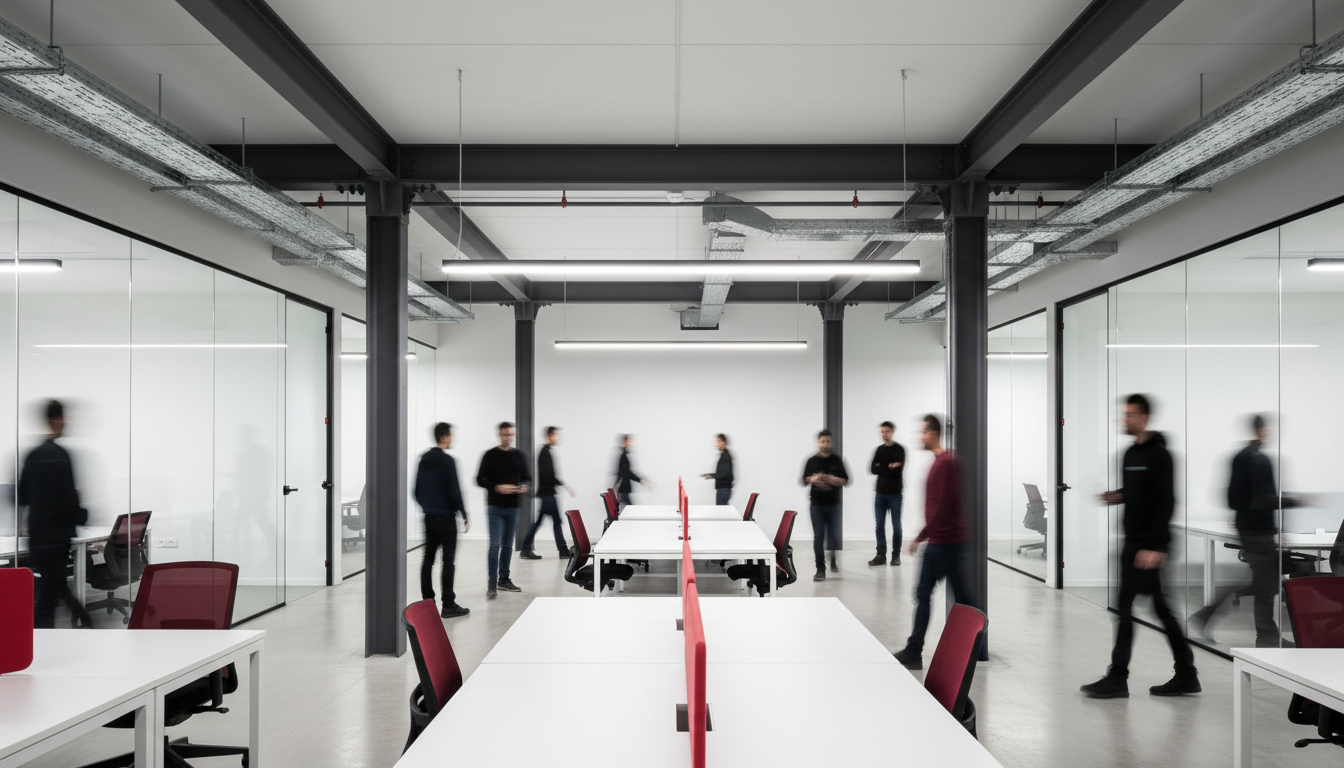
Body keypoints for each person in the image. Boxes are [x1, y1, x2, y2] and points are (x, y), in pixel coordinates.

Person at [1081, 394, 1199, 698]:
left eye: (1130, 415)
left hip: (1149, 547)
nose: (1125, 419)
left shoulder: (1161, 456)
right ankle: (1186, 673)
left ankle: (1119, 677)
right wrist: (1117, 496)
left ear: (1144, 417)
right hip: (1132, 542)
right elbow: (1137, 491)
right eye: (1124, 414)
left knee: (1135, 608)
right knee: (1150, 608)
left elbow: (1165, 501)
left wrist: (1156, 547)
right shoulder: (1129, 454)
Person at [1189, 414, 1296, 647]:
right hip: (1256, 530)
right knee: (1265, 586)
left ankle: (1207, 616)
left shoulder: (1243, 457)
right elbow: (1261, 499)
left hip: (1253, 528)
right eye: (1269, 429)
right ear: (1260, 430)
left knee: (1262, 583)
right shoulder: (1256, 460)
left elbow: (1234, 498)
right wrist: (1293, 502)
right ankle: (1266, 636)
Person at [892, 414, 974, 670]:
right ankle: (971, 647)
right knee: (959, 597)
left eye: (924, 432)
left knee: (930, 594)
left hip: (945, 542)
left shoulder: (946, 462)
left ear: (934, 434)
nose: (921, 436)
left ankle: (915, 651)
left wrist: (921, 536)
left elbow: (943, 506)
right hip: (946, 540)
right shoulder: (943, 461)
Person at [18, 399, 92, 629]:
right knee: (49, 597)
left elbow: (21, 496)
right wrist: (83, 517)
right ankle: (84, 624)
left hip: (39, 539)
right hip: (56, 539)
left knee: (52, 590)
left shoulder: (33, 455)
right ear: (55, 420)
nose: (66, 422)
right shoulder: (61, 456)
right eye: (63, 418)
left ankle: (85, 623)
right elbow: (68, 500)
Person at [413, 423, 470, 619]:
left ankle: (427, 603)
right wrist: (463, 513)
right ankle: (448, 605)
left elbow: (416, 491)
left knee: (427, 560)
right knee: (448, 562)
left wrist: (427, 507)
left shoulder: (423, 460)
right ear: (444, 437)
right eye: (451, 435)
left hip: (429, 518)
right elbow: (454, 491)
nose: (453, 438)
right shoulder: (447, 461)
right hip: (446, 519)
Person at [476, 421, 530, 599]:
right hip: (495, 507)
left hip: (513, 507)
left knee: (507, 546)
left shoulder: (519, 455)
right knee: (495, 545)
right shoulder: (490, 455)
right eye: (505, 434)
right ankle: (492, 583)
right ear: (499, 435)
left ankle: (504, 579)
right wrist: (497, 487)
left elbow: (527, 477)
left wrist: (524, 486)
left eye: (511, 434)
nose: (508, 437)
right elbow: (480, 479)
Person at [802, 429, 849, 581]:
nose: (825, 444)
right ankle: (820, 569)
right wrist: (812, 479)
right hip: (816, 505)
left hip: (834, 505)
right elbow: (803, 481)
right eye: (822, 441)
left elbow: (845, 480)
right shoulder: (811, 461)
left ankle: (833, 557)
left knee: (833, 535)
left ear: (831, 442)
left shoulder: (837, 460)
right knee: (818, 537)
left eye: (828, 441)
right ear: (818, 442)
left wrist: (832, 479)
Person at [521, 426, 573, 561]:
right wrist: (561, 484)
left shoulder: (546, 451)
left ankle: (526, 549)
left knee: (544, 522)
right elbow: (546, 474)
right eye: (556, 435)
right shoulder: (544, 452)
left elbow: (549, 474)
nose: (558, 438)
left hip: (547, 493)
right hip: (547, 494)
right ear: (550, 436)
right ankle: (563, 550)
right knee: (554, 522)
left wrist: (560, 484)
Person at [869, 421, 906, 567]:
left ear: (892, 432)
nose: (884, 434)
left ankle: (896, 555)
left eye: (887, 431)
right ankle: (881, 555)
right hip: (880, 494)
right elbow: (872, 469)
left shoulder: (899, 450)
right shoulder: (879, 450)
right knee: (879, 526)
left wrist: (882, 466)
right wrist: (890, 466)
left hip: (895, 494)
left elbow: (898, 470)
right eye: (882, 432)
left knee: (896, 526)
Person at [614, 434, 650, 508]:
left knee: (630, 508)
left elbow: (627, 472)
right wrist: (641, 481)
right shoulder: (624, 456)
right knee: (630, 509)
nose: (630, 443)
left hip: (624, 488)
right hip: (623, 488)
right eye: (627, 442)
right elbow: (627, 472)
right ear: (624, 442)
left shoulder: (625, 455)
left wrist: (641, 480)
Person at [700, 434, 734, 506]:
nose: (717, 444)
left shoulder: (725, 456)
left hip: (723, 488)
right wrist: (711, 475)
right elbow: (722, 472)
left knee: (721, 510)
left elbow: (725, 474)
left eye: (718, 441)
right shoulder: (724, 455)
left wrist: (712, 476)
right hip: (723, 488)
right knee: (722, 509)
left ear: (724, 442)